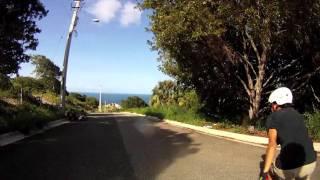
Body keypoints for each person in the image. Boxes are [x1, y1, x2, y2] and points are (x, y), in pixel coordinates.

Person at [260, 87, 317, 180]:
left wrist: (265, 171)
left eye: (272, 104)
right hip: (310, 162)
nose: (271, 107)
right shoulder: (298, 115)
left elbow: (272, 145)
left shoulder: (273, 117)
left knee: (270, 172)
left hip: (288, 167)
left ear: (276, 104)